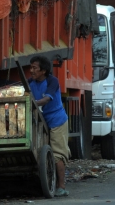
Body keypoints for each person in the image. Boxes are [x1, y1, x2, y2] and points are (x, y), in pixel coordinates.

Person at [29, 55, 70, 197]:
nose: (31, 71)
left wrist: (33, 103)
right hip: (42, 120)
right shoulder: (30, 82)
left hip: (57, 120)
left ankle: (62, 186)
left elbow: (46, 99)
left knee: (57, 154)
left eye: (34, 68)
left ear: (43, 71)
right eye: (31, 67)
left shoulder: (53, 81)